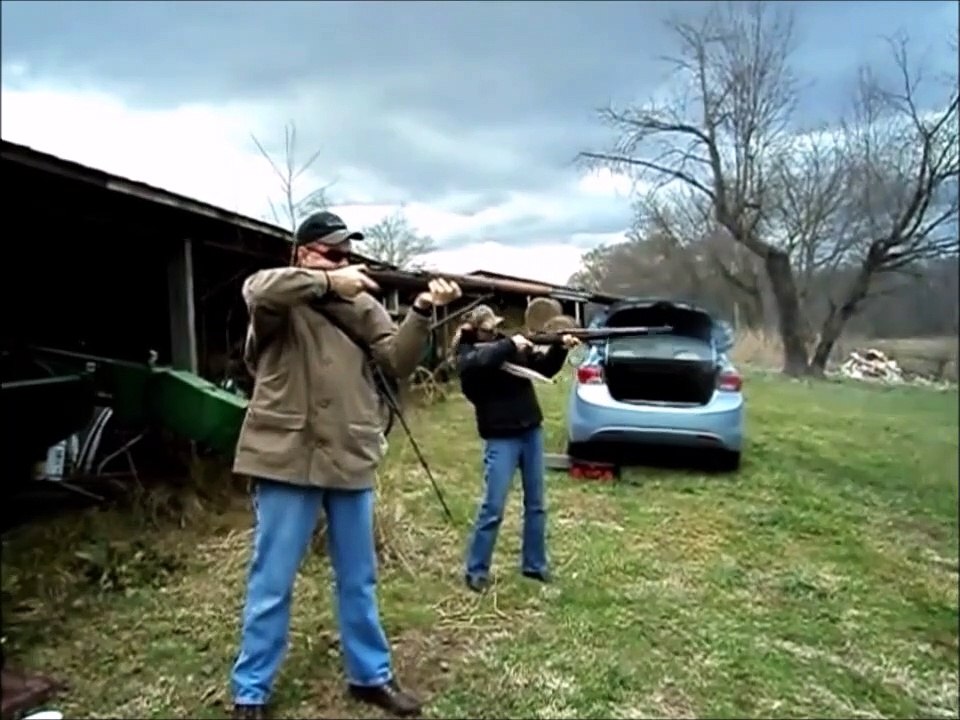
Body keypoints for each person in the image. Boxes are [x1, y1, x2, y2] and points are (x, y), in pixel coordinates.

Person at [230, 210, 461, 720]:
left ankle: (370, 676)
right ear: (303, 255)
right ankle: (251, 690)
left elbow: (398, 361)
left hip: (350, 451)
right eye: (333, 253)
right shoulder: (279, 298)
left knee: (359, 577)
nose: (344, 262)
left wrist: (423, 309)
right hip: (287, 455)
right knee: (272, 581)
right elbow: (258, 289)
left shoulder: (363, 305)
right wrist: (331, 281)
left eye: (347, 255)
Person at [454, 305, 579, 593]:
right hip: (501, 436)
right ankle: (476, 570)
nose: (495, 331)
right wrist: (511, 344)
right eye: (489, 328)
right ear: (474, 330)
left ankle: (534, 564)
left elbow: (543, 368)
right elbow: (480, 363)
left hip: (530, 429)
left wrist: (560, 347)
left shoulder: (506, 345)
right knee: (493, 507)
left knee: (536, 505)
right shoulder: (468, 356)